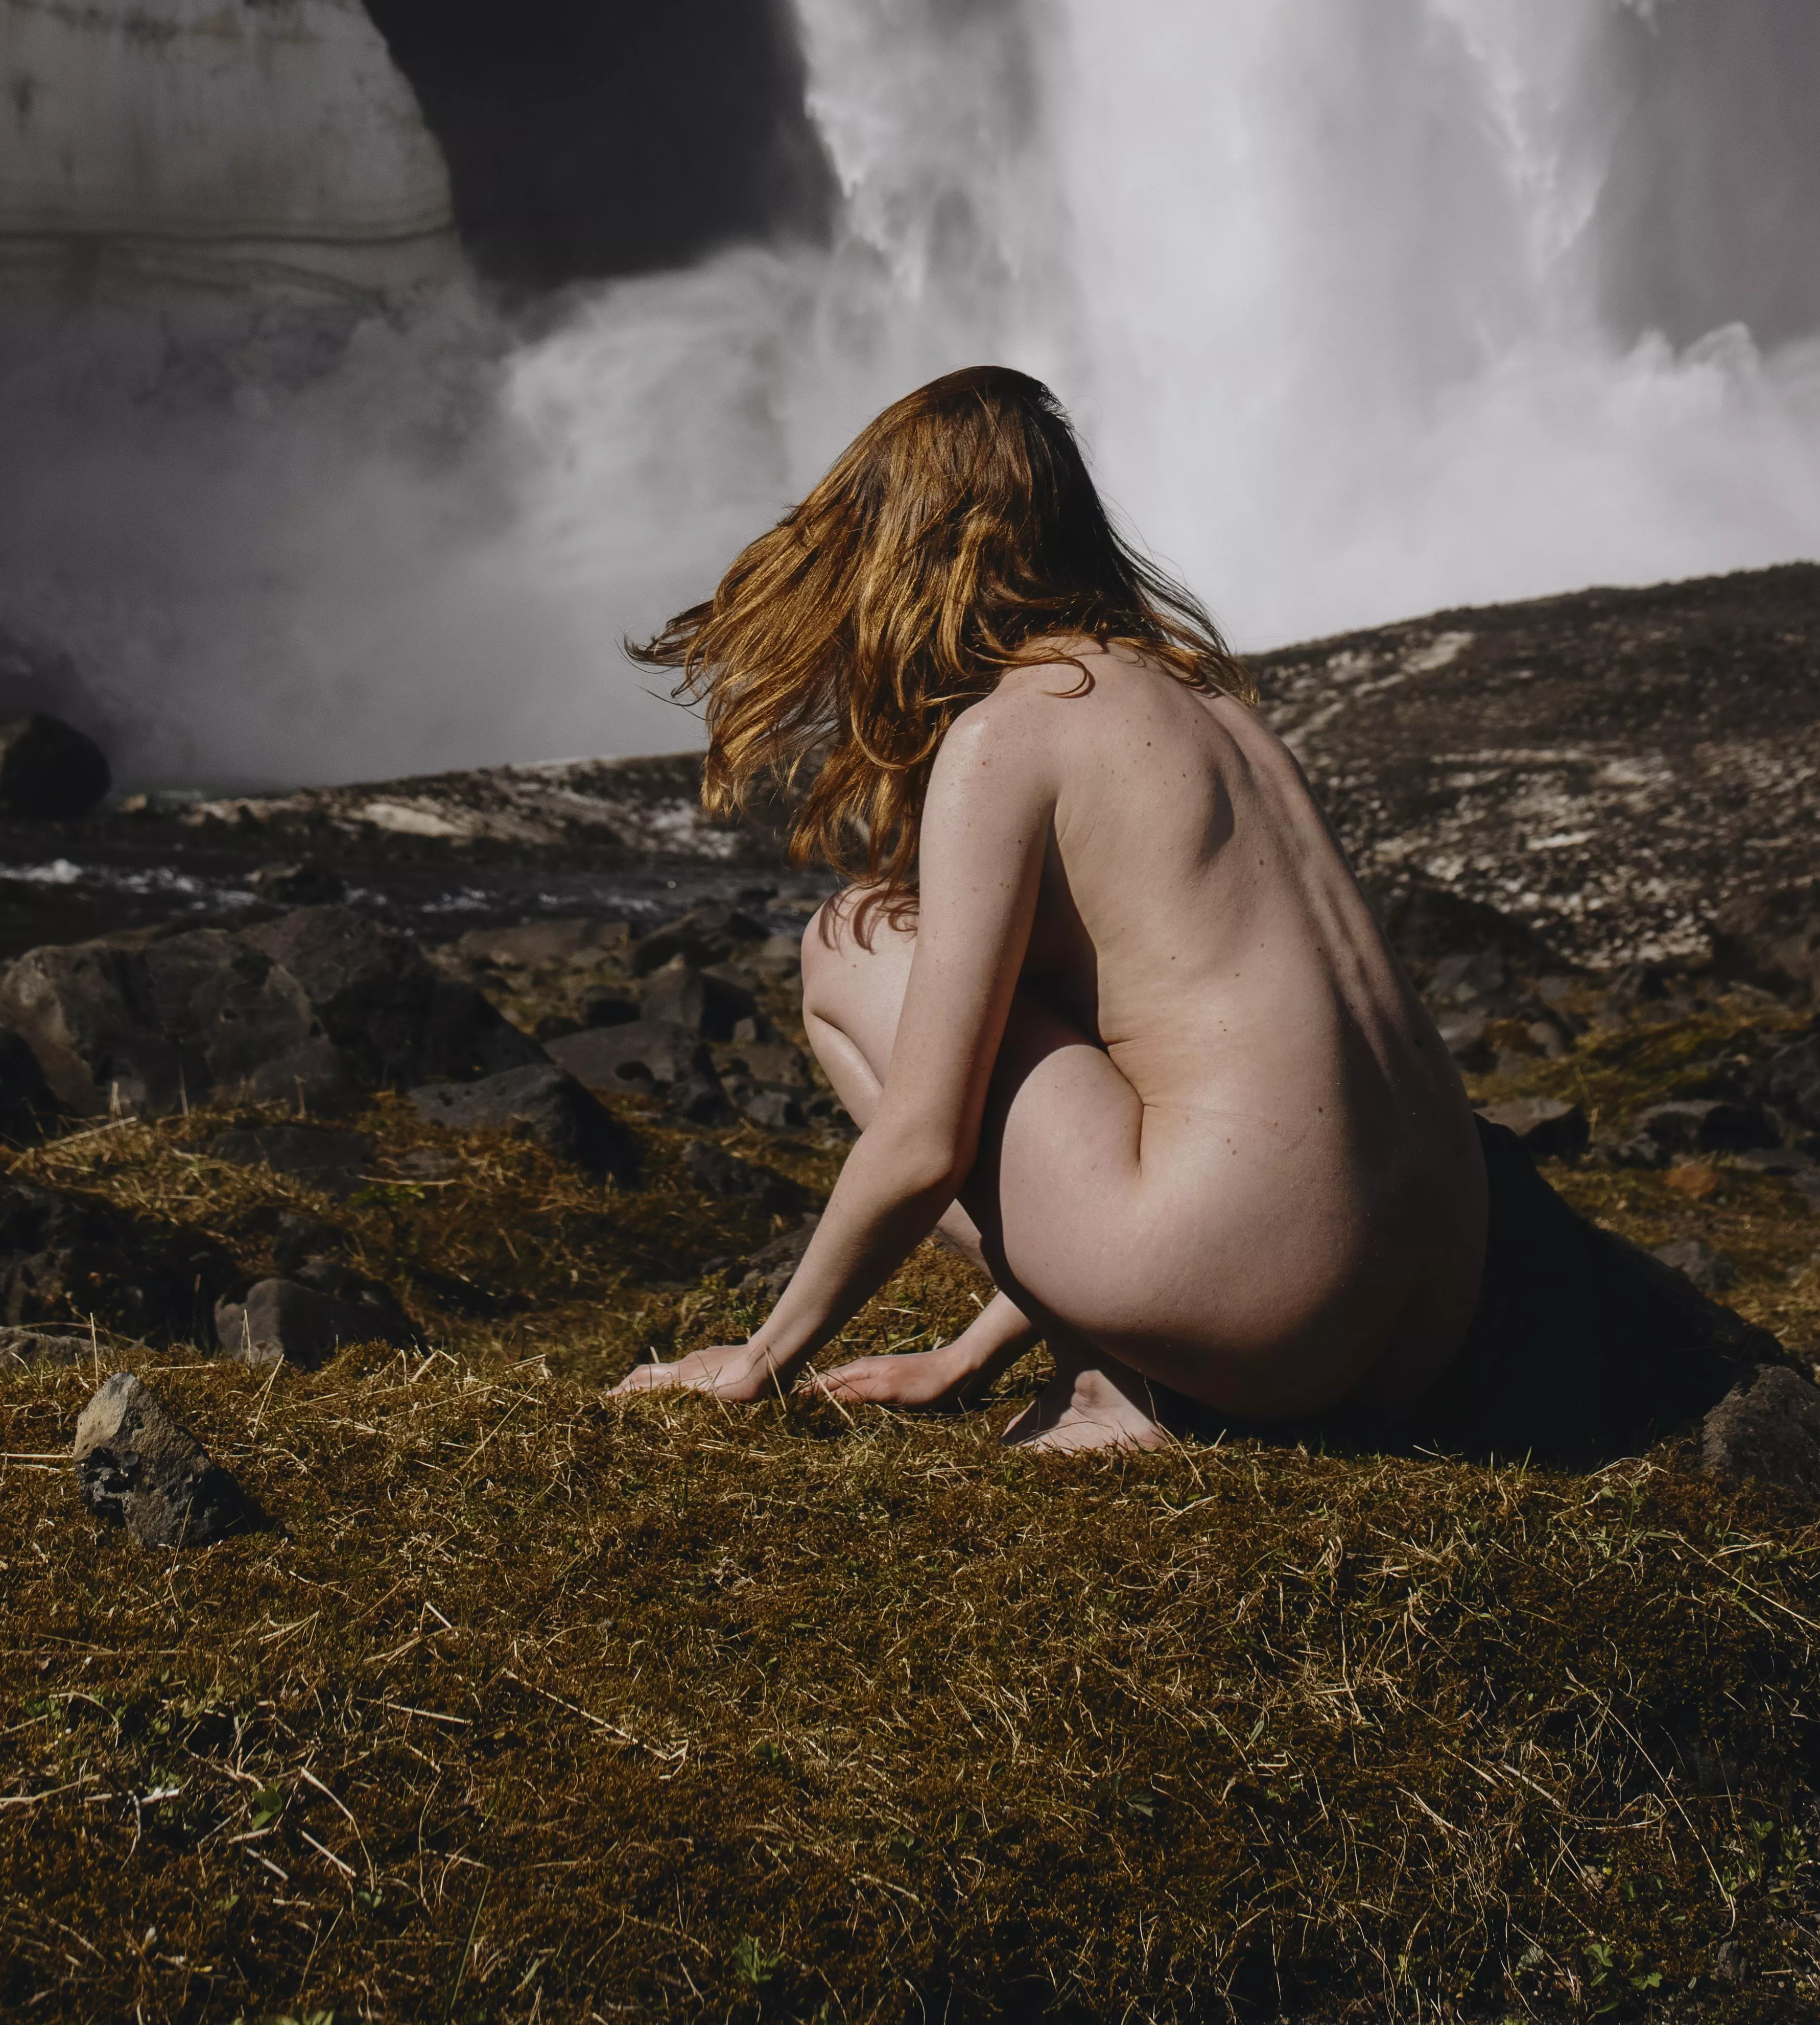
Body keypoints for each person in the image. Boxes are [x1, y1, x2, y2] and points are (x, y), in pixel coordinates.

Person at [607, 364, 1490, 1453]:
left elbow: (929, 1138)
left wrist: (758, 1366)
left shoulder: (1014, 728)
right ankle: (1123, 1373)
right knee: (1111, 1025)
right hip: (1428, 1310)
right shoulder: (1210, 701)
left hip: (1259, 1307)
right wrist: (965, 1357)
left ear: (903, 555)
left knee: (851, 938)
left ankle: (1113, 1392)